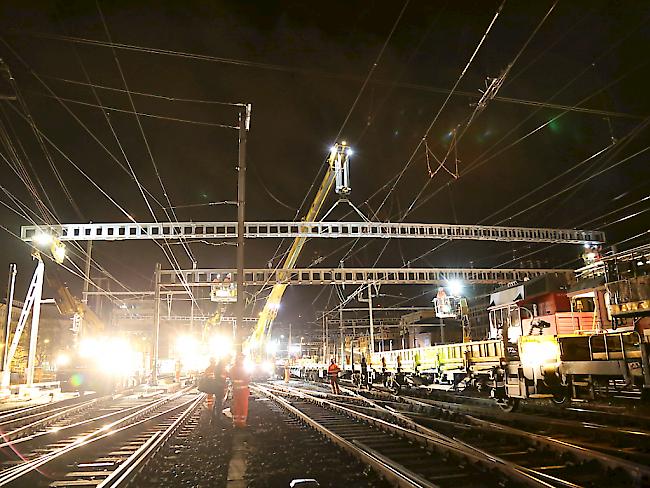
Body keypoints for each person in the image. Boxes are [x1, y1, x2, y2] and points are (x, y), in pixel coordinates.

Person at [229, 353, 251, 428]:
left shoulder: (232, 369)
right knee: (243, 406)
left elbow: (231, 379)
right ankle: (242, 423)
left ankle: (236, 422)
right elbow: (248, 379)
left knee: (236, 406)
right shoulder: (245, 369)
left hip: (236, 390)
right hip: (243, 390)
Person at [204, 357, 226, 423]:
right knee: (217, 399)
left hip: (211, 385)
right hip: (216, 385)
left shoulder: (208, 369)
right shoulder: (217, 368)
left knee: (210, 397)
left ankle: (210, 408)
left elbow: (206, 377)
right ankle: (214, 411)